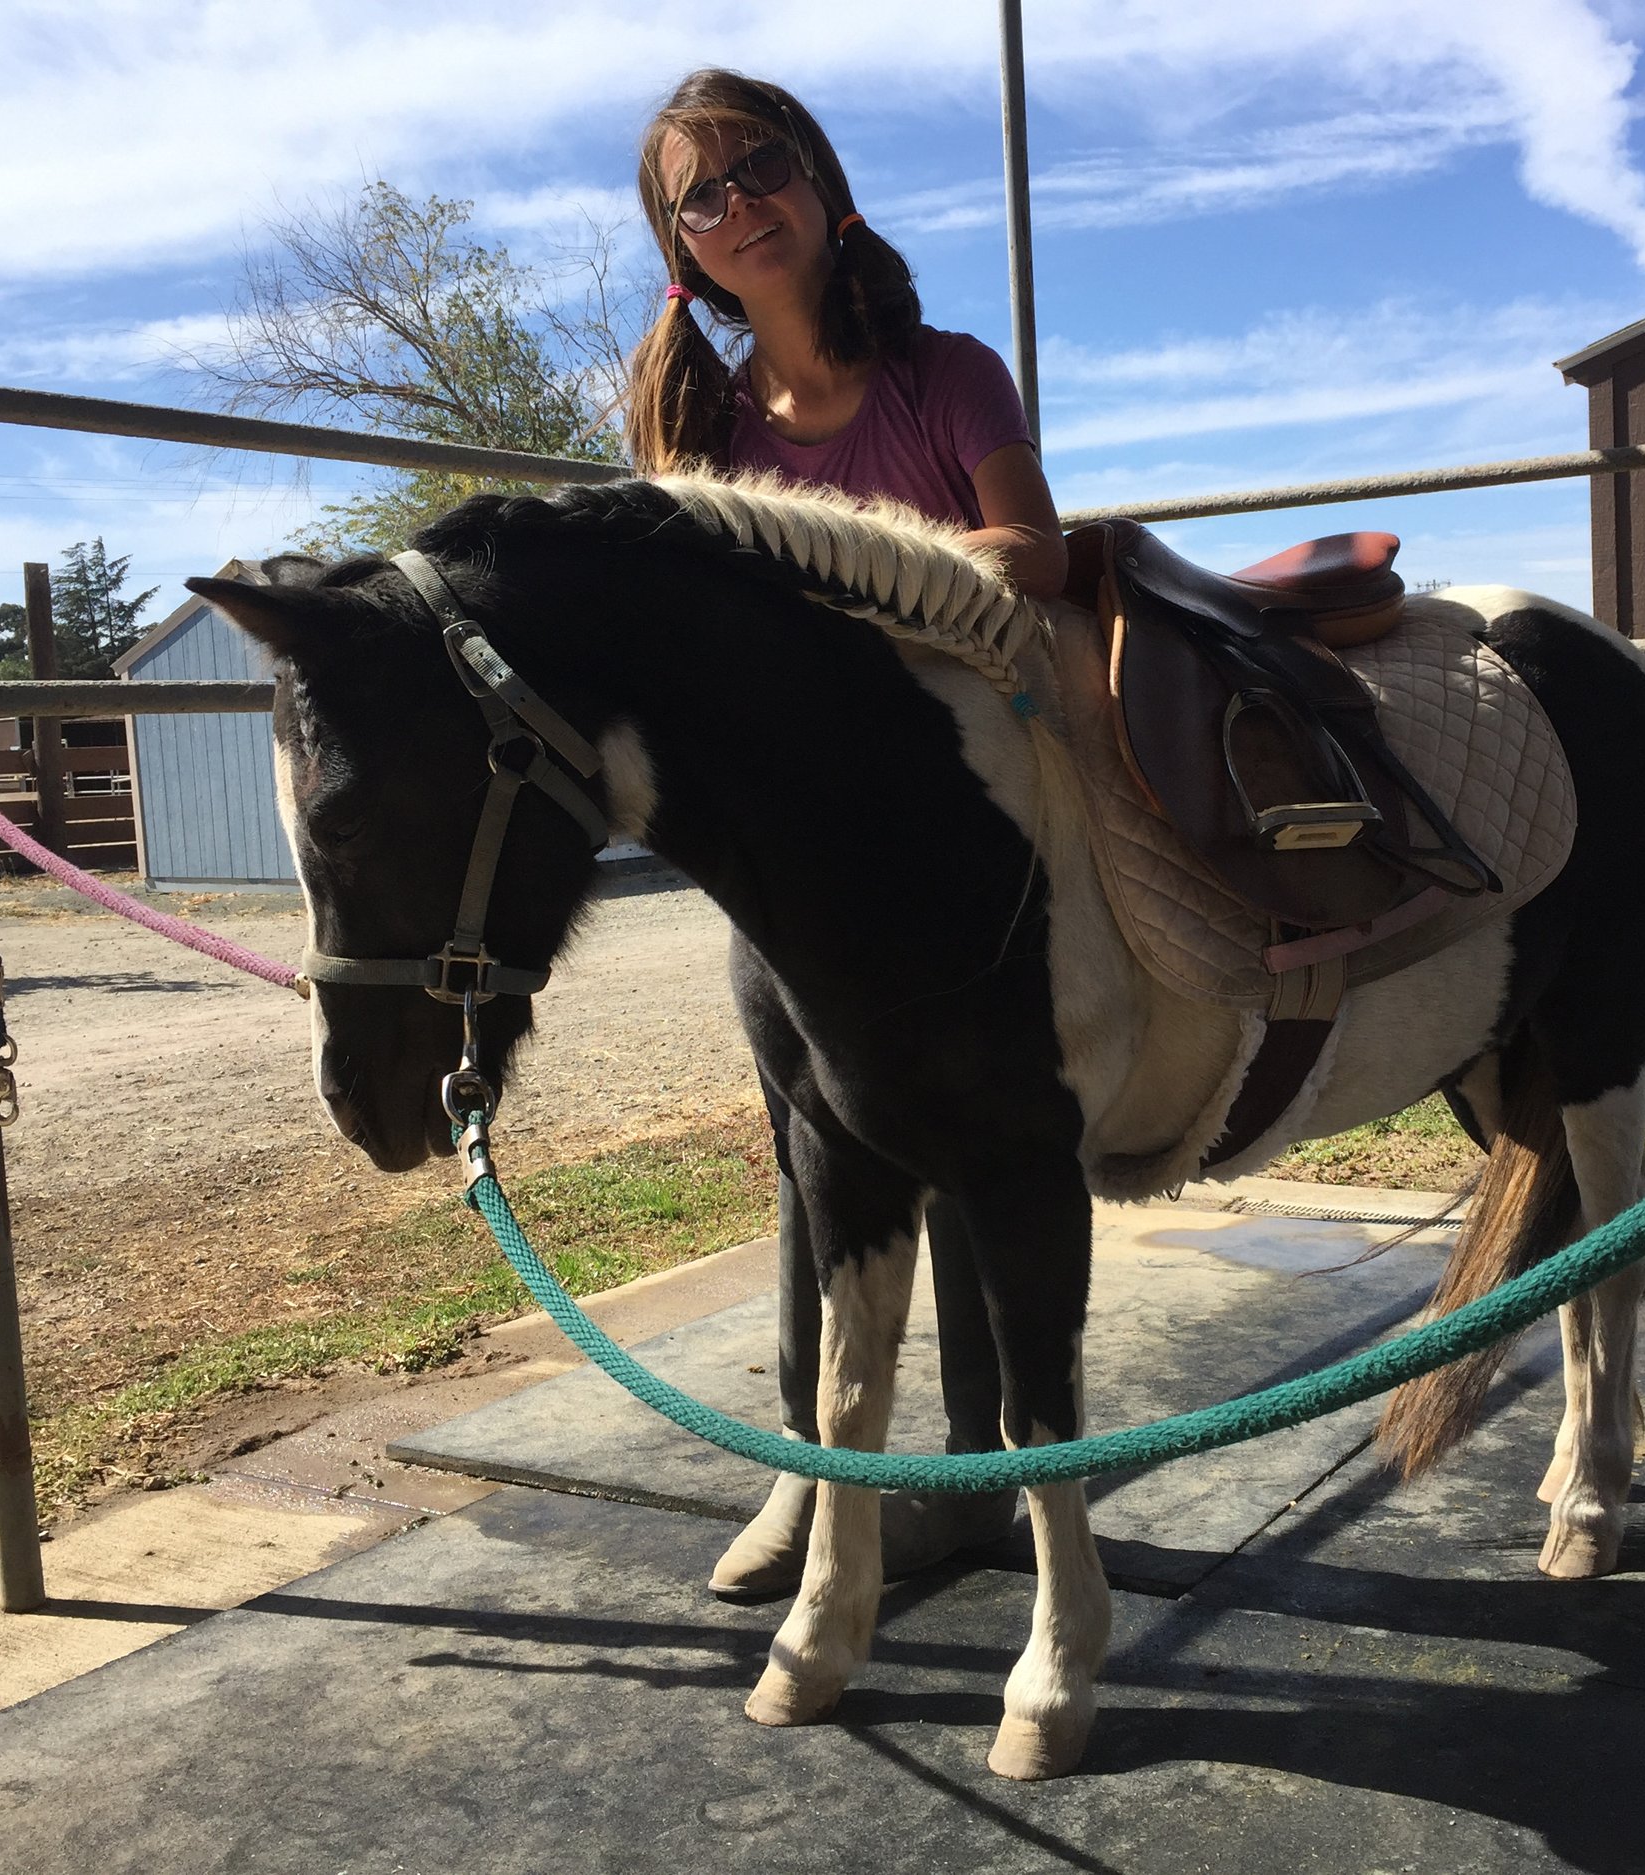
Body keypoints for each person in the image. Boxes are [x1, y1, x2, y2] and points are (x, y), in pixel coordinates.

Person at [624, 68, 1066, 1599]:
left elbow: (1033, 554)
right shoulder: (698, 416)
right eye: (703, 193)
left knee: (966, 1138)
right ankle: (820, 1479)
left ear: (822, 185)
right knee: (817, 1167)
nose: (739, 202)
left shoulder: (946, 374)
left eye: (760, 168)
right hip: (813, 846)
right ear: (682, 247)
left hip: (977, 807)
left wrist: (823, 598)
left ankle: (967, 1468)